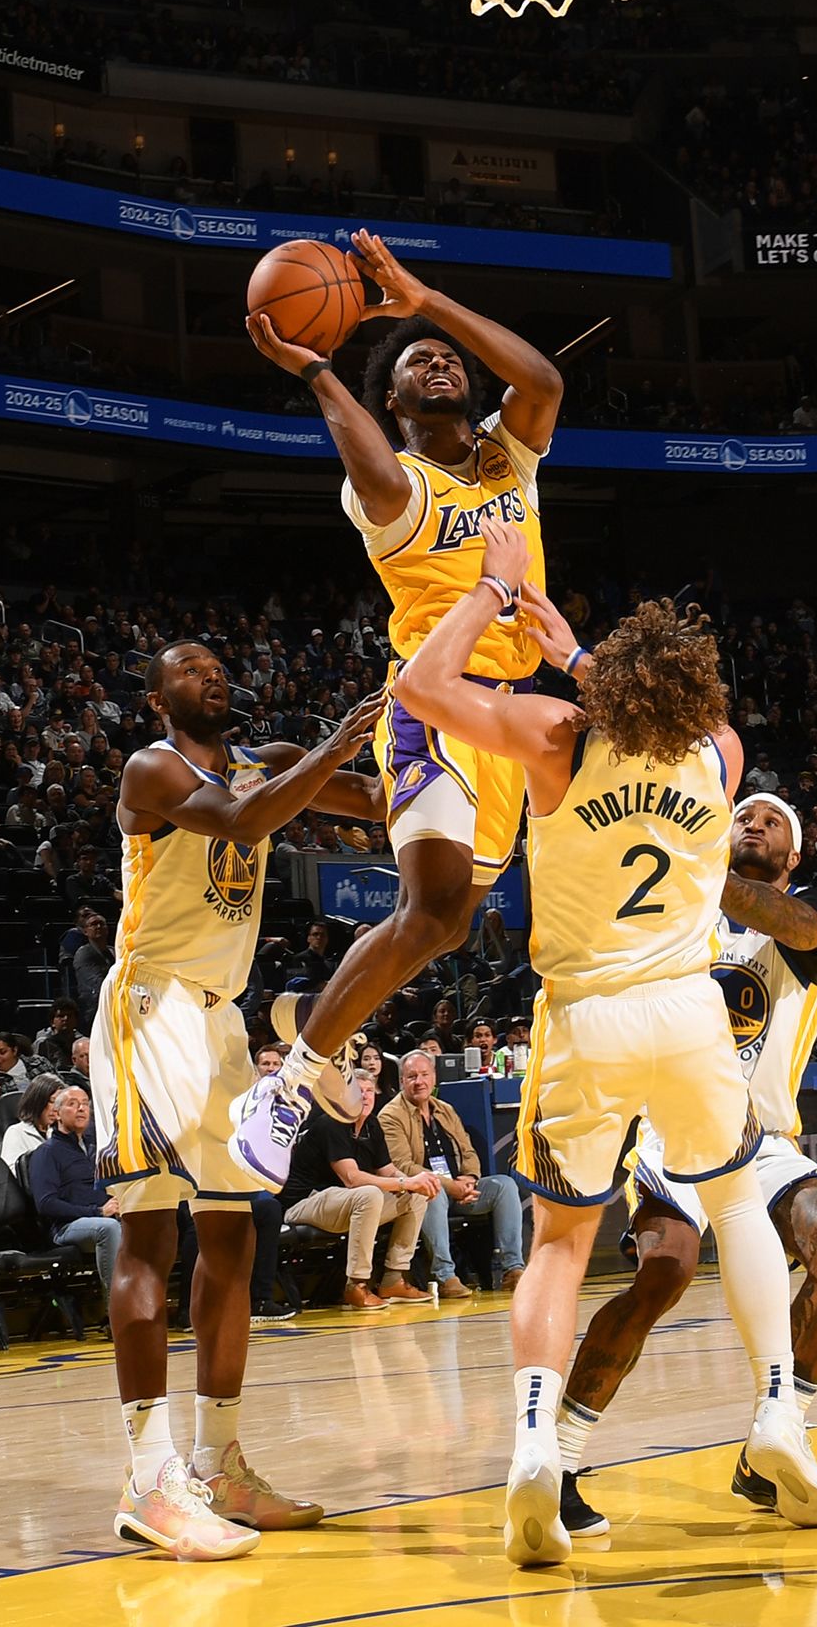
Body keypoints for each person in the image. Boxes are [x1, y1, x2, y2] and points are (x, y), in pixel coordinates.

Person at [392, 516, 817, 1565]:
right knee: (737, 1206)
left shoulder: (554, 736)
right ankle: (780, 1412)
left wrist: (499, 595)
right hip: (688, 1014)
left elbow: (419, 687)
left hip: (584, 1013)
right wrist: (581, 650)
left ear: (601, 692)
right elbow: (683, 711)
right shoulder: (718, 756)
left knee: (559, 1242)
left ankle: (537, 1440)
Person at [232, 232, 567, 1179]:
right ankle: (290, 1083)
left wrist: (423, 300)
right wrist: (316, 372)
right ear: (393, 403)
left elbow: (540, 379)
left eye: (445, 355)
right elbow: (371, 465)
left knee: (453, 919)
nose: (438, 358)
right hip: (433, 696)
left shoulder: (509, 460)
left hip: (513, 720)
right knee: (431, 910)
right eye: (418, 360)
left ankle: (311, 1012)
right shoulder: (393, 489)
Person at [95, 638, 384, 1560]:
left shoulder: (270, 764)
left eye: (216, 665)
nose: (209, 673)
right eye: (185, 668)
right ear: (157, 701)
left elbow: (376, 810)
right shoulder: (153, 768)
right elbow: (246, 820)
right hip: (151, 1004)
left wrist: (443, 762)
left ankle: (219, 1462)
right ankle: (148, 1476)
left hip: (221, 1020)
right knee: (153, 1229)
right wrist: (331, 750)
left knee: (235, 1229)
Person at [541, 783, 817, 1541]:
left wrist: (687, 861)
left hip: (765, 1143)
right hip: (666, 1130)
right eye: (741, 818)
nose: (751, 826)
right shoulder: (675, 913)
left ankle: (775, 1435)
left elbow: (791, 921)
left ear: (794, 853)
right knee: (666, 1271)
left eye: (769, 823)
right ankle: (558, 1460)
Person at [280, 1067, 433, 1308]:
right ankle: (357, 1284)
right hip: (304, 1204)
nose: (365, 1097)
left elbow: (388, 1170)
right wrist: (404, 1182)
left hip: (346, 1203)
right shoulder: (331, 1123)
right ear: (344, 1097)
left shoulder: (372, 1124)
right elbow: (351, 1178)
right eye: (358, 1092)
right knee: (369, 1193)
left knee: (415, 1197)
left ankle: (394, 1277)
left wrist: (417, 1182)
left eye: (370, 1091)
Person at [380, 1048, 525, 1300]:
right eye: (412, 1076)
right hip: (420, 1193)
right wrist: (449, 1186)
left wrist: (468, 1180)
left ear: (434, 1077)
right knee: (430, 1191)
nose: (419, 1082)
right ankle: (445, 1275)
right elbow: (403, 1165)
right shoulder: (391, 1115)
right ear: (402, 1080)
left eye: (424, 1075)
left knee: (504, 1185)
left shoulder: (445, 1109)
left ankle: (513, 1269)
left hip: (460, 1190)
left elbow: (468, 1152)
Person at [25, 1084, 119, 1290]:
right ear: (57, 1114)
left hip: (104, 1216)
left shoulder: (97, 1148)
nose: (81, 1109)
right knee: (109, 1228)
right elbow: (46, 1204)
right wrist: (97, 1212)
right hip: (67, 1227)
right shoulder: (46, 1153)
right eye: (72, 1104)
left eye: (85, 1104)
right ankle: (117, 1310)